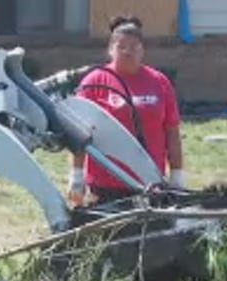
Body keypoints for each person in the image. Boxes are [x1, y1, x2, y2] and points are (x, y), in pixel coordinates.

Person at [67, 15, 185, 205]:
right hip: (105, 186)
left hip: (150, 183)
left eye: (134, 47)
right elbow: (78, 133)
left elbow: (172, 132)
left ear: (143, 50)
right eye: (121, 47)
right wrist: (77, 175)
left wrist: (177, 175)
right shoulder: (95, 82)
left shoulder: (159, 82)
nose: (127, 52)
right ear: (110, 50)